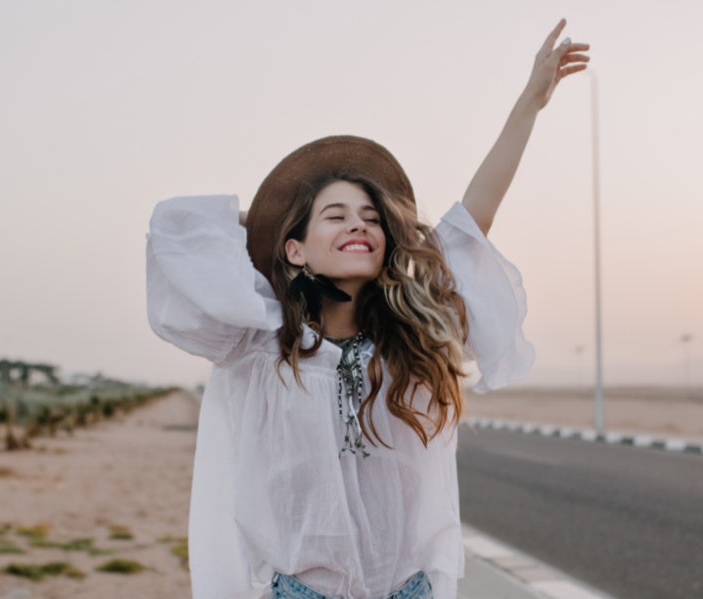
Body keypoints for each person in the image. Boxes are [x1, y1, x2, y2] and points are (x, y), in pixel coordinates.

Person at [146, 19, 590, 599]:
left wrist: (529, 103)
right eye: (337, 215)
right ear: (295, 248)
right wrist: (272, 230)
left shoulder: (410, 340)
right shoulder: (259, 346)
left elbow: (471, 222)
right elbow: (178, 230)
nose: (360, 222)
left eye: (372, 217)